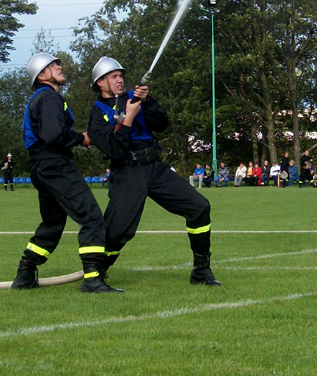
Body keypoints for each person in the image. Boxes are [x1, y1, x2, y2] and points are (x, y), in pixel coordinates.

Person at [87, 56, 220, 287]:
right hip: (127, 171)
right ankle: (96, 276)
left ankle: (201, 270)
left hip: (154, 168)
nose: (120, 80)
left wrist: (147, 102)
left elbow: (162, 124)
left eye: (121, 76)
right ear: (101, 83)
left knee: (199, 207)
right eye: (114, 77)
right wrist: (128, 118)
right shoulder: (98, 113)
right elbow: (114, 149)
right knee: (117, 231)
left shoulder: (136, 98)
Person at [12, 52, 121, 293]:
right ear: (42, 75)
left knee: (52, 224)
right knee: (91, 218)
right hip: (56, 166)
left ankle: (25, 273)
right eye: (53, 65)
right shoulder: (49, 98)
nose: (60, 67)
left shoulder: (40, 99)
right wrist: (80, 138)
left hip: (41, 168)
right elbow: (53, 135)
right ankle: (93, 279)